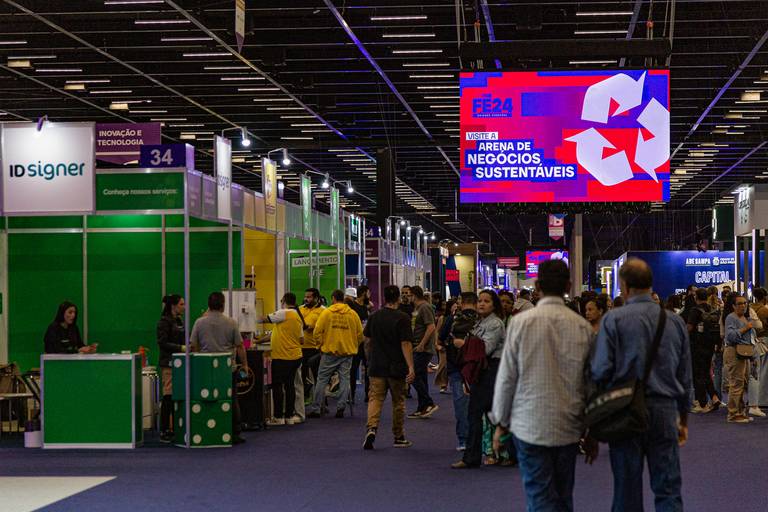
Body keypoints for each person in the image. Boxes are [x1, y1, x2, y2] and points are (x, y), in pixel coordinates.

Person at [489, 260, 596, 509]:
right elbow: (591, 383)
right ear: (568, 286)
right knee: (563, 497)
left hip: (530, 424)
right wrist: (591, 429)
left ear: (537, 286)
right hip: (569, 425)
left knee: (539, 497)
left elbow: (507, 377)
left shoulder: (520, 323)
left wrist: (501, 423)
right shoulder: (583, 327)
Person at [592, 259, 692, 511]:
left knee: (626, 491)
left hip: (625, 410)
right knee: (668, 489)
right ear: (651, 284)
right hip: (665, 410)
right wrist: (683, 417)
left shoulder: (613, 320)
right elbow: (684, 375)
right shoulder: (674, 321)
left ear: (625, 287)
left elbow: (600, 370)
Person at [451, 289, 506, 469]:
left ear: (494, 305)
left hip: (491, 370)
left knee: (477, 413)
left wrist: (464, 345)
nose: (481, 304)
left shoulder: (495, 324)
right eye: (480, 301)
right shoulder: (480, 322)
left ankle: (472, 457)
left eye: (486, 301)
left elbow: (486, 349)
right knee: (490, 414)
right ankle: (507, 453)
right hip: (482, 370)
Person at [190, 291, 248, 445]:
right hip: (227, 368)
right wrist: (245, 365)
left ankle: (206, 429)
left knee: (205, 399)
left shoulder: (199, 323)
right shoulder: (231, 323)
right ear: (223, 305)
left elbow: (193, 345)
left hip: (205, 369)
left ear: (208, 305)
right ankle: (235, 432)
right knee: (231, 399)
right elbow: (240, 346)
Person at [362, 285, 416, 450]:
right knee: (398, 401)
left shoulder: (374, 316)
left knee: (375, 398)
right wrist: (411, 366)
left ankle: (371, 428)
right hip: (396, 367)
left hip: (377, 365)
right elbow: (406, 344)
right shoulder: (403, 318)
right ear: (398, 298)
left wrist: (369, 359)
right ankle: (398, 436)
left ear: (384, 297)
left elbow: (367, 340)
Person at [307, 289, 364, 418]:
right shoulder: (353, 314)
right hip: (347, 353)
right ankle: (341, 408)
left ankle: (316, 408)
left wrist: (320, 345)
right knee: (344, 380)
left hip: (329, 352)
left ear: (333, 298)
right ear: (343, 298)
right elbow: (360, 335)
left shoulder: (327, 313)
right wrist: (353, 345)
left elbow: (317, 332)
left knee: (322, 379)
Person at [260, 293, 305, 426]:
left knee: (277, 386)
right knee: (290, 386)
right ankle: (289, 416)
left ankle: (278, 416)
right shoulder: (297, 316)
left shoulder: (284, 313)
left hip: (282, 356)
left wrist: (249, 317)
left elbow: (264, 319)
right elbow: (301, 339)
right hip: (295, 356)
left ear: (284, 301)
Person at [724, 294, 761, 423]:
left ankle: (740, 412)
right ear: (733, 306)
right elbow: (730, 336)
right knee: (736, 383)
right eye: (740, 303)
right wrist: (745, 328)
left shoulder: (745, 318)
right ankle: (733, 414)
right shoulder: (731, 317)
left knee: (742, 383)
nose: (743, 306)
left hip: (745, 353)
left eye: (745, 303)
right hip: (734, 352)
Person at [686, 288, 724, 413]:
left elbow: (689, 327)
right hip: (710, 345)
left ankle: (702, 404)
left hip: (697, 346)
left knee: (698, 375)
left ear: (696, 297)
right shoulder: (713, 310)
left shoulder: (695, 310)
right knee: (706, 373)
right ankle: (714, 398)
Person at [156, 294, 186, 443]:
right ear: (173, 306)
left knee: (177, 395)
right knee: (168, 396)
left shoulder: (179, 321)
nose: (184, 307)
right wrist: (180, 347)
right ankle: (164, 429)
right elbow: (162, 343)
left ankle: (175, 428)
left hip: (180, 363)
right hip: (168, 363)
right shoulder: (164, 322)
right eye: (181, 304)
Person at [407, 286, 439, 419]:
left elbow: (431, 327)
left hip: (423, 349)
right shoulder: (418, 308)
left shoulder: (425, 307)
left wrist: (422, 344)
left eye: (409, 295)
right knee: (421, 377)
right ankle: (422, 407)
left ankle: (428, 402)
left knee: (413, 375)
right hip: (418, 347)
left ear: (414, 295)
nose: (408, 297)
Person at [299, 288, 325, 398]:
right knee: (302, 375)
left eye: (309, 297)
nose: (306, 299)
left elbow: (323, 328)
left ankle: (321, 401)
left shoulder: (323, 311)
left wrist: (311, 326)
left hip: (316, 348)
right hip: (301, 348)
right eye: (305, 296)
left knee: (318, 376)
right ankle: (304, 398)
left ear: (316, 298)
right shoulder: (300, 309)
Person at [346, 287, 368, 404]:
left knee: (368, 368)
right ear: (364, 293)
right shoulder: (353, 307)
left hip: (365, 342)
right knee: (353, 369)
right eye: (368, 292)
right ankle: (351, 395)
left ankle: (368, 394)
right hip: (355, 342)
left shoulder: (365, 306)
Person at [749, 287, 768, 416]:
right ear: (764, 297)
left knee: (754, 372)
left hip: (752, 341)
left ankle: (753, 400)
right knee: (764, 371)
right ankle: (762, 400)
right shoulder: (765, 310)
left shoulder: (750, 309)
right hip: (764, 340)